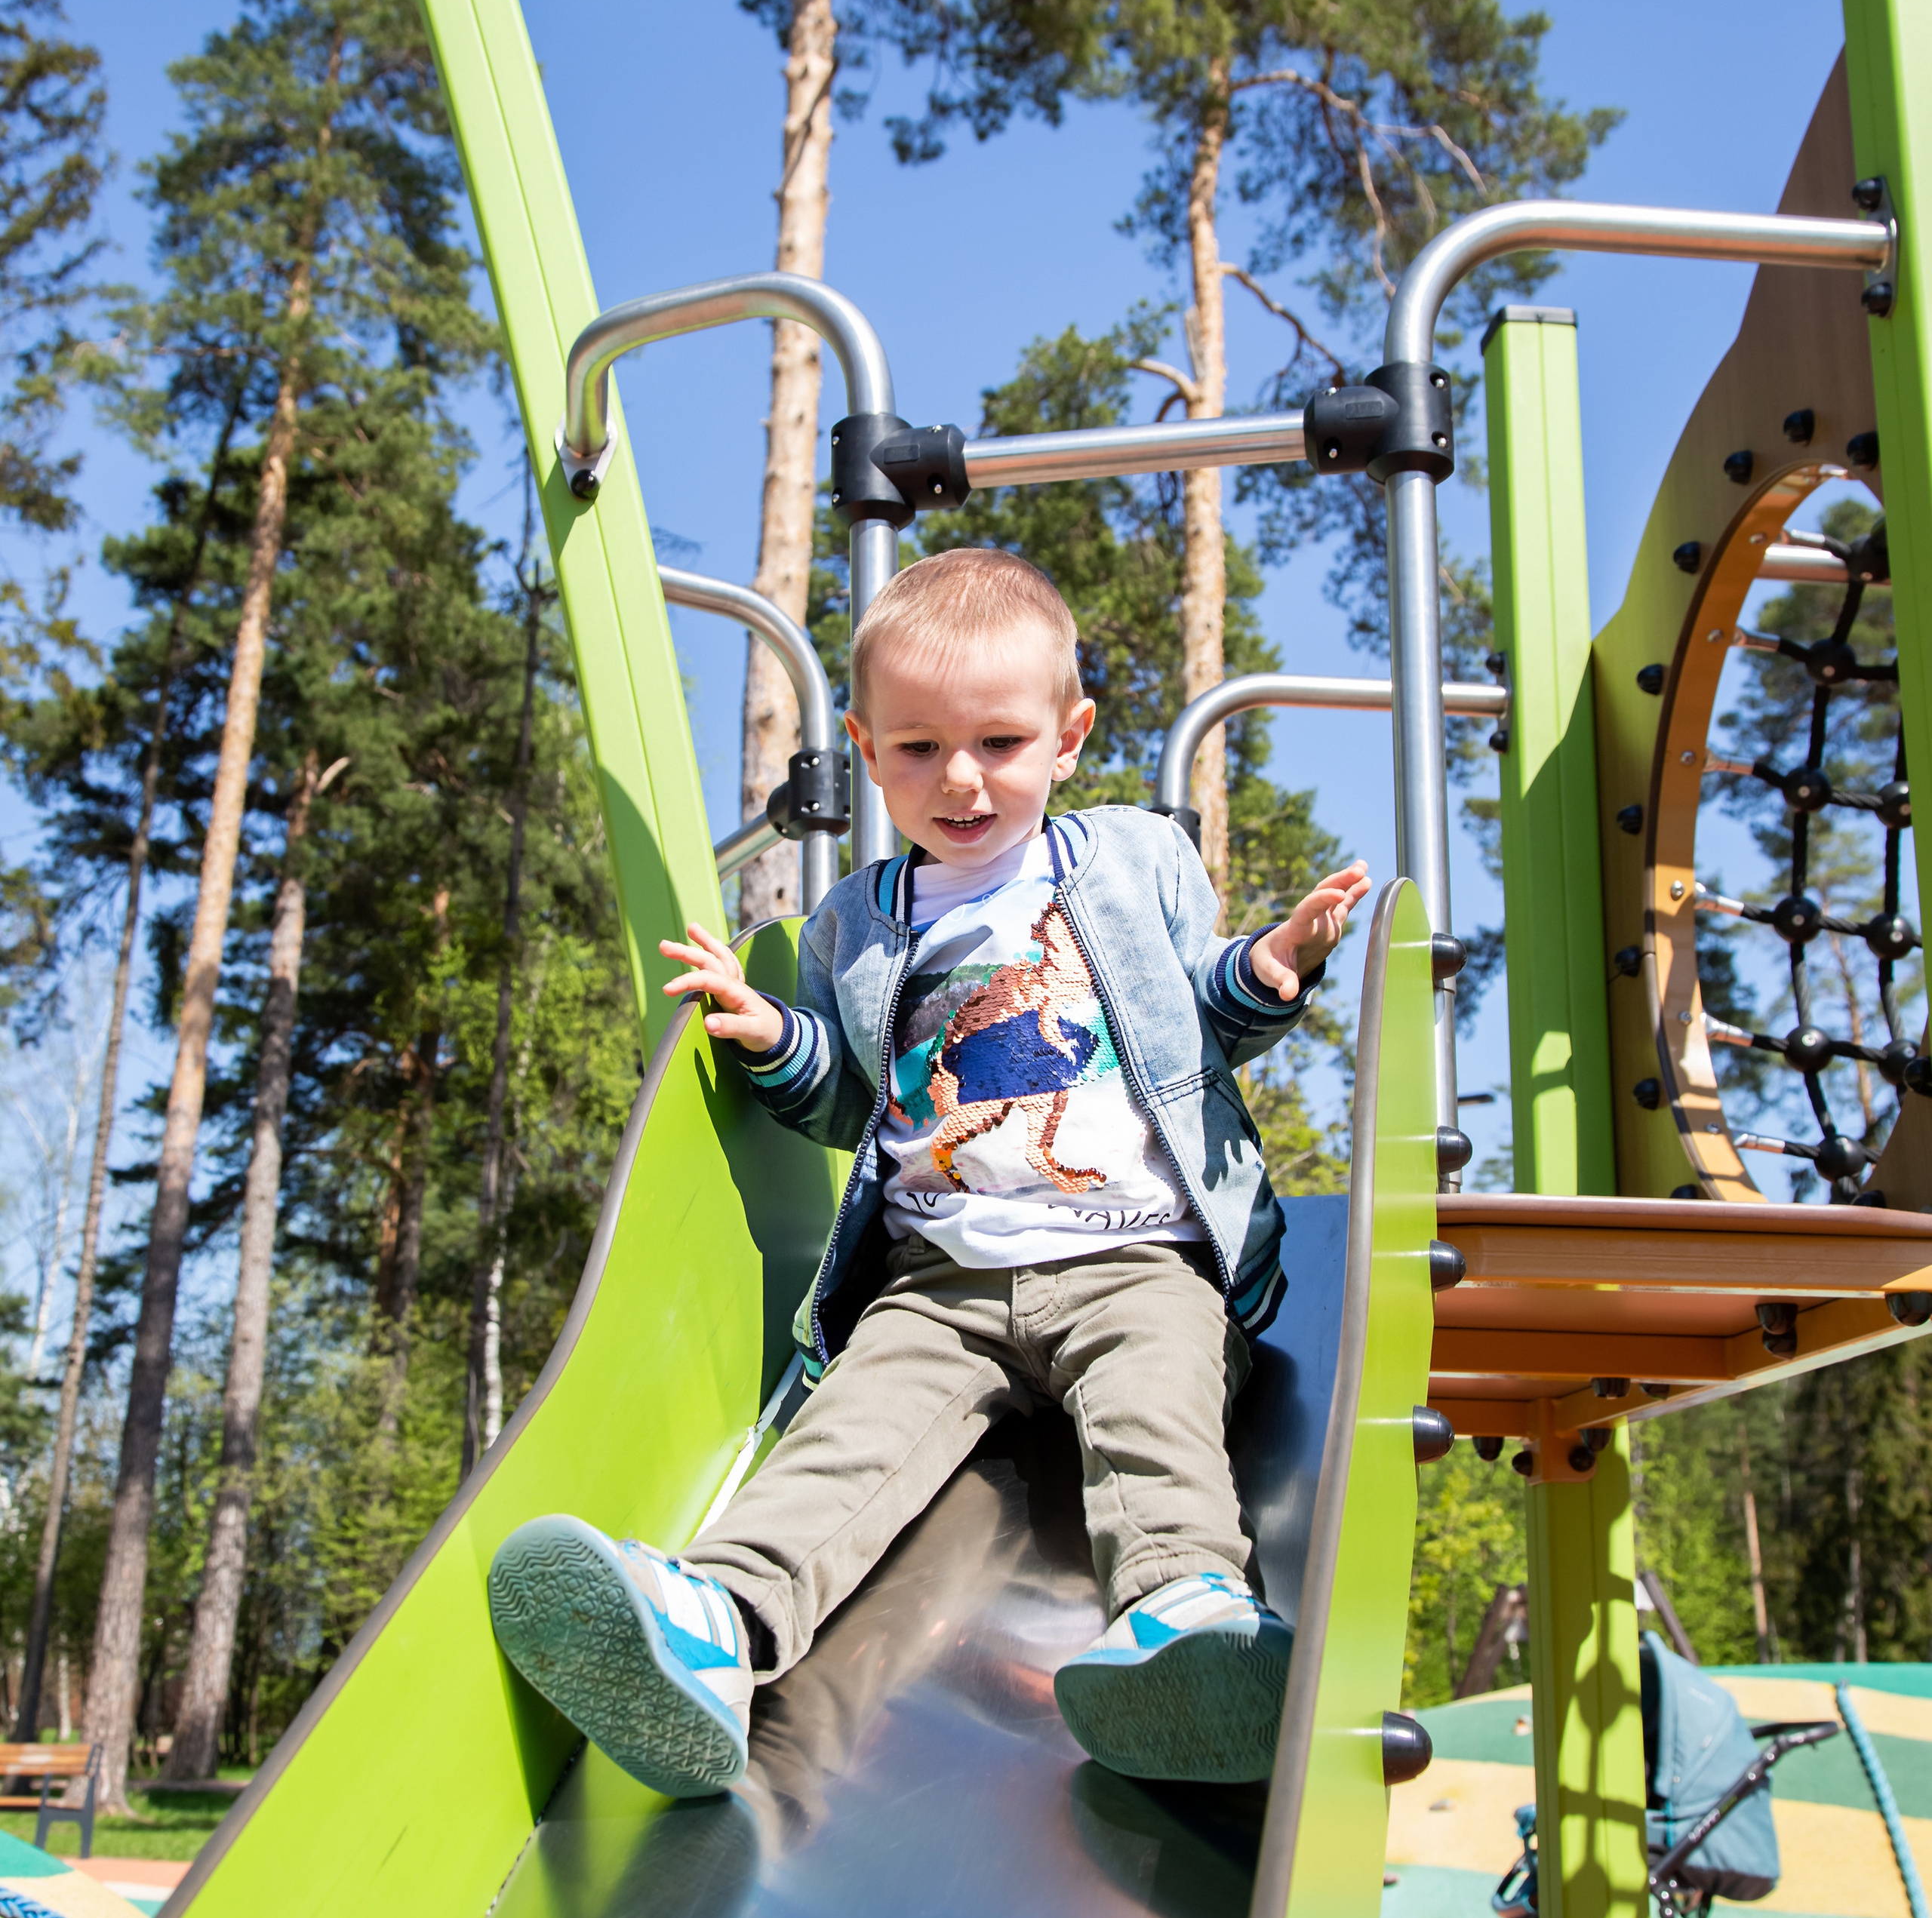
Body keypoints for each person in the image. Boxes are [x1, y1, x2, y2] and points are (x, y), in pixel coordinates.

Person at [489, 548, 1370, 1797]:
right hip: (938, 1279)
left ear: (1069, 737)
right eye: (915, 749)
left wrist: (1273, 966)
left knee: (1155, 1415)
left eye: (1000, 743)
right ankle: (716, 1627)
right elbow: (860, 1102)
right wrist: (775, 1039)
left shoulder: (1127, 864)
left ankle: (1183, 1619)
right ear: (862, 744)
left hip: (1135, 1259)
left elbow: (1196, 1024)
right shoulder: (859, 921)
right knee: (846, 1435)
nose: (959, 779)